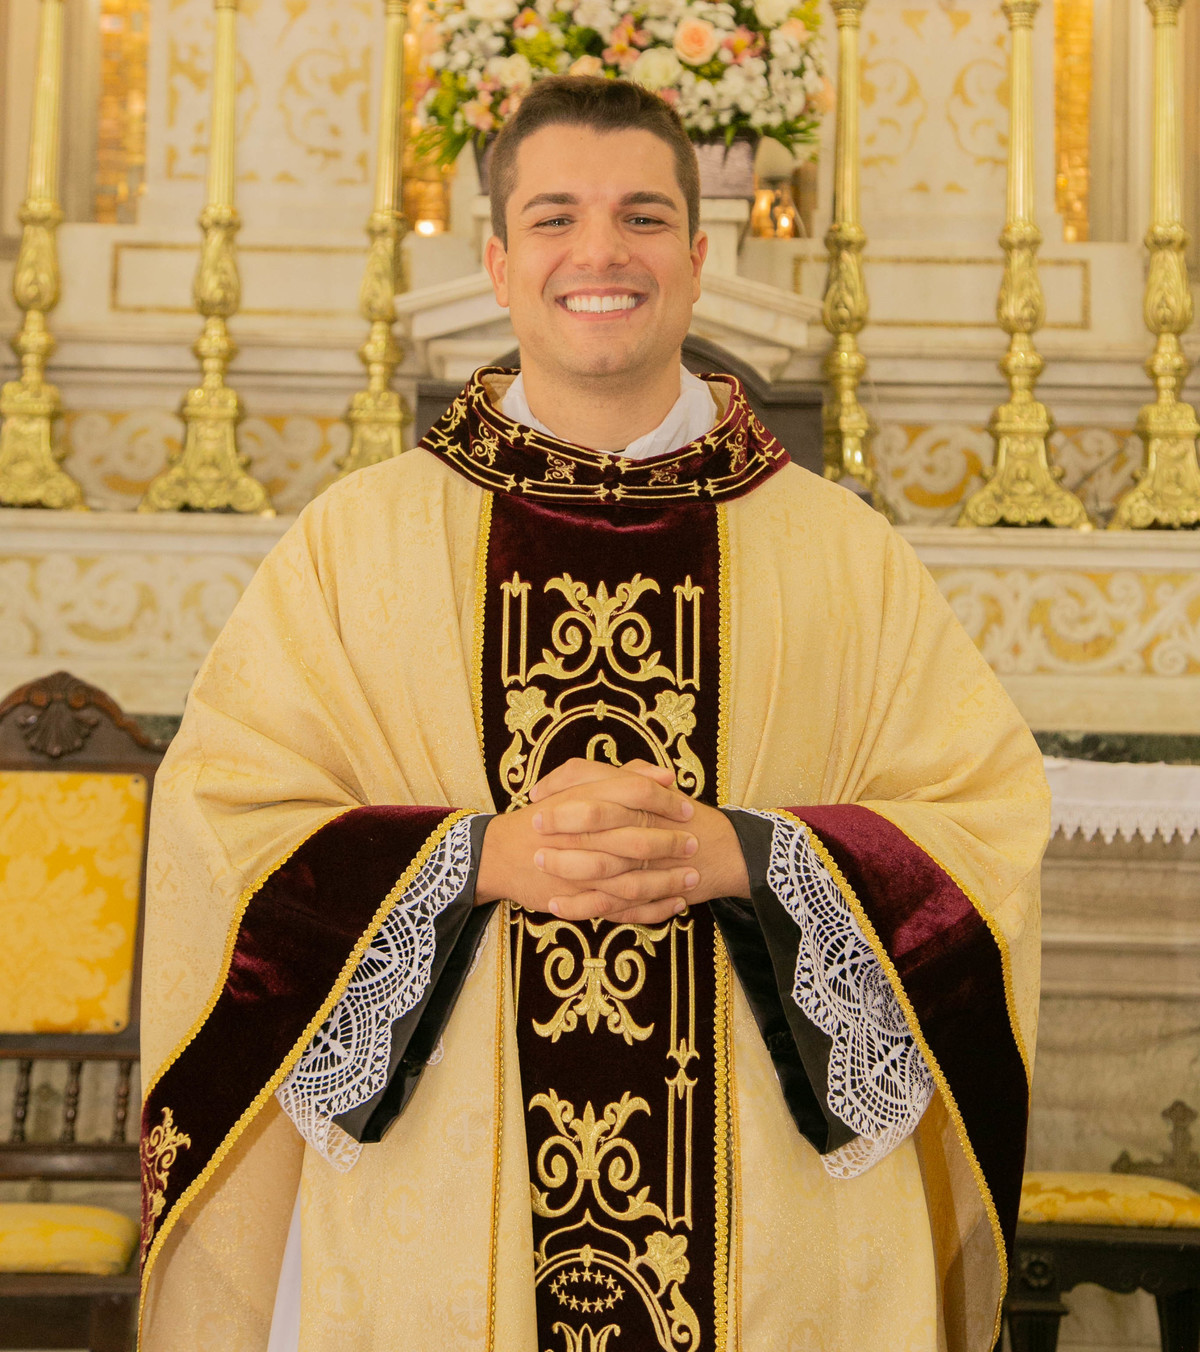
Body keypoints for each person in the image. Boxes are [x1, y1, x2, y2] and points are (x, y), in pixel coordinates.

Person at [139, 75, 1048, 1352]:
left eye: (643, 216)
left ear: (699, 258)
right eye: (556, 217)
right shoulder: (358, 542)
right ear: (500, 262)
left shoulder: (842, 550)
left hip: (772, 1210)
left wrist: (748, 854)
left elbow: (982, 819)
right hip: (446, 1199)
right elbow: (224, 820)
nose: (601, 253)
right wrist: (478, 858)